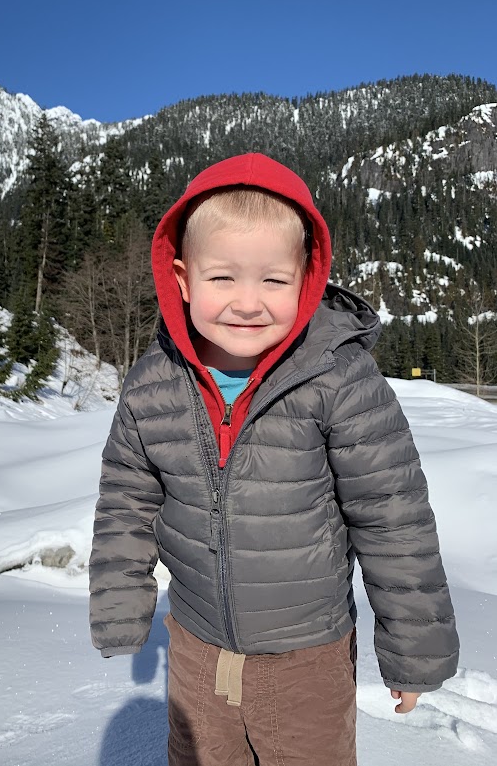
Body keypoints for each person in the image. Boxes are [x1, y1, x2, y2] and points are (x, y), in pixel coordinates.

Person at [89, 152, 459, 765]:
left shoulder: (338, 378)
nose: (247, 302)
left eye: (273, 280)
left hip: (307, 657)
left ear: (306, 279)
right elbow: (126, 499)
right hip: (196, 646)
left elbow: (394, 518)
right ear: (182, 280)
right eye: (222, 278)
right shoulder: (153, 382)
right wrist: (119, 600)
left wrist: (413, 649)